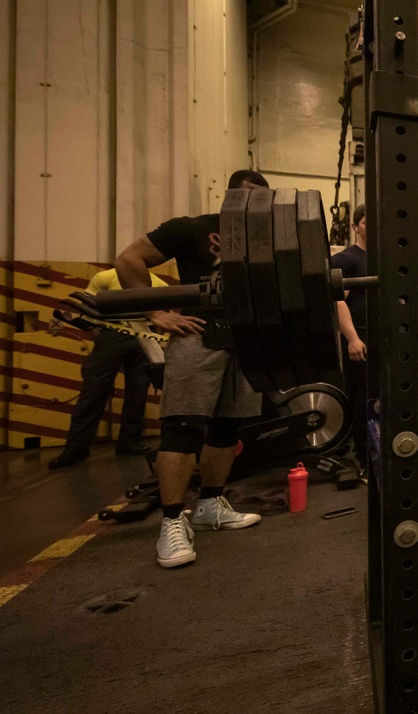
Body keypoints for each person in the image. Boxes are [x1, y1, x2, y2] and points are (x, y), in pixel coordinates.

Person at [115, 170, 269, 568]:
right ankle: (170, 522)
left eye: (259, 200)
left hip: (244, 339)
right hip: (197, 335)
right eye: (243, 197)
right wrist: (155, 312)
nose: (249, 206)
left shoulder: (268, 237)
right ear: (228, 197)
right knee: (183, 428)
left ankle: (210, 505)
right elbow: (129, 259)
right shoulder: (191, 228)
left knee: (226, 427)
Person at [48, 269, 167, 469]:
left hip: (143, 336)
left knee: (137, 393)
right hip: (113, 334)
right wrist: (97, 333)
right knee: (93, 391)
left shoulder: (158, 284)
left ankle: (128, 442)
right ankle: (77, 447)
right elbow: (86, 306)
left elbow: (164, 315)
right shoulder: (107, 277)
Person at [330, 204, 368, 476]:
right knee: (362, 400)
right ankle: (365, 461)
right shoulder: (345, 259)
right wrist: (353, 339)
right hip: (361, 339)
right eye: (366, 222)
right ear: (356, 226)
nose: (372, 227)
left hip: (385, 340)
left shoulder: (386, 258)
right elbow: (337, 303)